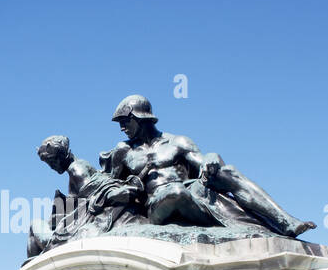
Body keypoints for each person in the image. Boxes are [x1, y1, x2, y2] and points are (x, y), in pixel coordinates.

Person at [104, 95, 315, 237]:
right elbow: (110, 188)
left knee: (227, 172)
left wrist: (212, 157)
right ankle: (227, 222)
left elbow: (204, 163)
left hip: (191, 193)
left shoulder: (178, 142)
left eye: (125, 121)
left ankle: (286, 221)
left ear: (141, 118)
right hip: (156, 206)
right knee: (175, 192)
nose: (122, 128)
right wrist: (125, 191)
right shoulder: (123, 151)